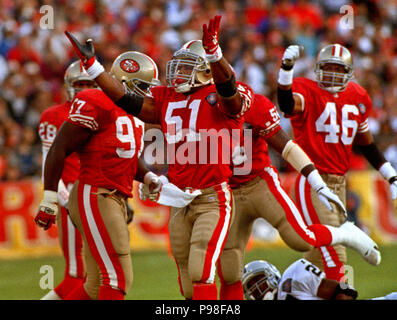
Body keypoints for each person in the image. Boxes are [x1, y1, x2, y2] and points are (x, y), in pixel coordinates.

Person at [64, 15, 254, 300]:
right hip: (178, 198)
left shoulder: (220, 96)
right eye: (179, 65)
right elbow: (126, 101)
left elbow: (229, 90)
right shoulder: (167, 97)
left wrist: (215, 54)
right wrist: (95, 69)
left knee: (202, 269)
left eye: (189, 66)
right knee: (187, 284)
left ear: (206, 72)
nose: (179, 71)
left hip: (213, 196)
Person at [216, 92, 381, 300]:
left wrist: (315, 180)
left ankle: (346, 233)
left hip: (260, 183)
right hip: (228, 190)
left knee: (300, 239)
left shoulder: (254, 104)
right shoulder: (202, 110)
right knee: (228, 269)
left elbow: (287, 147)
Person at [34, 51, 163, 300]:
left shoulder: (133, 113)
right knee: (116, 278)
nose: (148, 92)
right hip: (95, 192)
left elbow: (125, 156)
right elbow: (58, 149)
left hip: (112, 196)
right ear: (126, 82)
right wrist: (49, 199)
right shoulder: (98, 100)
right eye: (144, 86)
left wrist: (148, 177)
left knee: (94, 284)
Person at [276, 44, 396, 281]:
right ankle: (350, 238)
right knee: (335, 256)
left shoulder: (359, 96)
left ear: (349, 71)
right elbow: (287, 104)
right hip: (312, 180)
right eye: (327, 67)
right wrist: (286, 70)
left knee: (316, 257)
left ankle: (293, 291)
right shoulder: (306, 88)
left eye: (338, 68)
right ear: (317, 69)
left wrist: (390, 173)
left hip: (340, 183)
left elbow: (366, 144)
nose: (331, 73)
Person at [38, 61, 96, 300]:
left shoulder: (103, 110)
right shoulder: (54, 115)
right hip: (71, 193)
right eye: (79, 84)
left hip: (96, 196)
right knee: (76, 274)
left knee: (97, 273)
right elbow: (48, 159)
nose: (83, 89)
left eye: (88, 84)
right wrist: (63, 198)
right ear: (68, 86)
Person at [242, 259, 397, 300]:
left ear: (272, 275)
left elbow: (346, 291)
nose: (257, 292)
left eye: (259, 283)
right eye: (252, 290)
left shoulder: (293, 276)